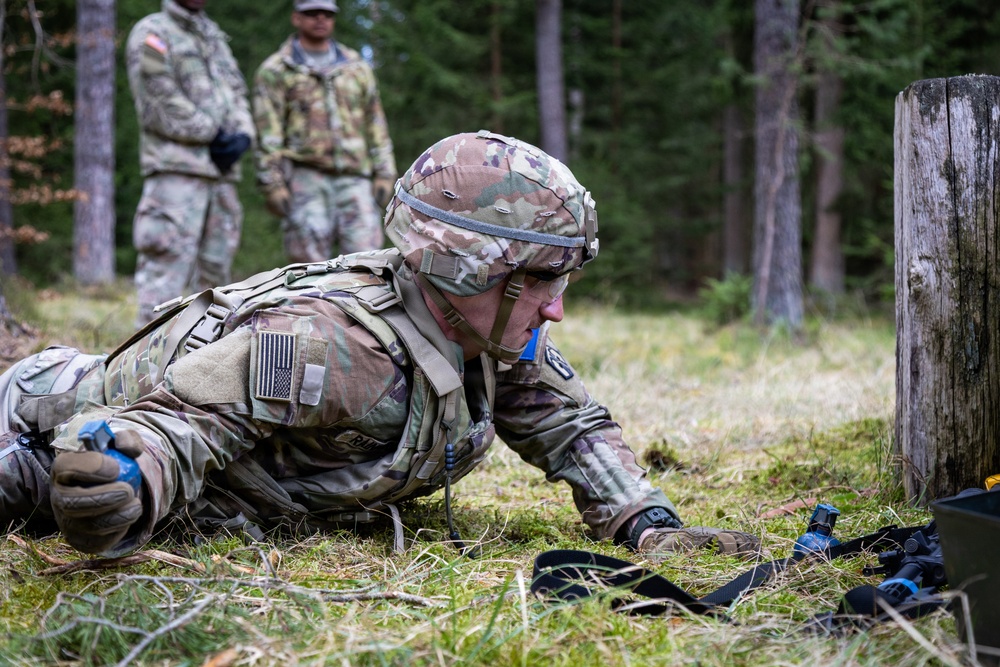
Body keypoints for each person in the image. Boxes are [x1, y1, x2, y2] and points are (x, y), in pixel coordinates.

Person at [0, 131, 758, 560]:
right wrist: (124, 476)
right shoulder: (329, 345)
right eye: (540, 281)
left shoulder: (490, 337)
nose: (557, 307)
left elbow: (570, 425)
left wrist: (649, 524)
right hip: (53, 414)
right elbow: (181, 422)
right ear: (468, 269)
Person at [125, 0, 255, 327]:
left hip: (221, 176)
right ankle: (147, 355)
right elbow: (157, 97)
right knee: (164, 275)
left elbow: (236, 91)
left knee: (217, 280)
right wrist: (212, 133)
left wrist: (243, 134)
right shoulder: (153, 33)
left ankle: (204, 354)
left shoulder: (214, 37)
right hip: (176, 175)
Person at [252, 0, 397, 264]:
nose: (320, 18)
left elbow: (375, 122)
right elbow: (268, 133)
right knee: (308, 267)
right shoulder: (276, 70)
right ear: (296, 18)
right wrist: (272, 183)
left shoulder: (356, 67)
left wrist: (385, 172)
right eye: (312, 13)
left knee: (368, 264)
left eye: (327, 14)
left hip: (356, 179)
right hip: (305, 179)